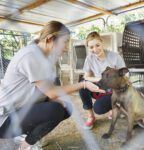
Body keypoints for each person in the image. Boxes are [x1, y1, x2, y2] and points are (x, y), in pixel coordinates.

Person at [0, 21, 105, 150]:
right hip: (5, 117)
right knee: (55, 110)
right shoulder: (31, 56)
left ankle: (25, 134)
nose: (66, 47)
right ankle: (25, 145)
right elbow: (51, 92)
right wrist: (83, 84)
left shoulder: (46, 57)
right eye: (64, 42)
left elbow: (46, 91)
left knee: (66, 108)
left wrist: (53, 99)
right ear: (50, 39)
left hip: (22, 108)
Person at [79, 31, 126, 129]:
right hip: (99, 87)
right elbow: (86, 77)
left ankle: (115, 107)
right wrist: (99, 80)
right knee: (82, 85)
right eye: (91, 47)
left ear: (102, 43)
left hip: (113, 90)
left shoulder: (115, 57)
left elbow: (125, 77)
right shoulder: (89, 58)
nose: (95, 49)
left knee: (99, 109)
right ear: (88, 48)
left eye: (97, 45)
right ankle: (91, 117)